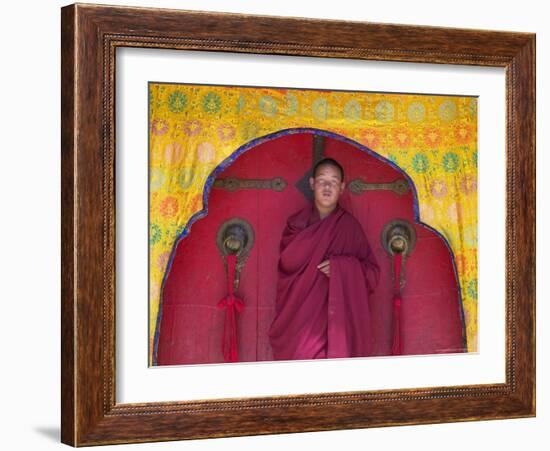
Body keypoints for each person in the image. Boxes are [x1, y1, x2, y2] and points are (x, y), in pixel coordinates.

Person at [268, 157, 380, 360]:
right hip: (300, 322)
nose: (327, 187)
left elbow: (372, 275)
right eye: (322, 180)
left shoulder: (349, 227)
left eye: (334, 181)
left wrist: (343, 269)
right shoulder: (296, 226)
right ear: (312, 184)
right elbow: (287, 266)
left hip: (337, 323)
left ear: (342, 187)